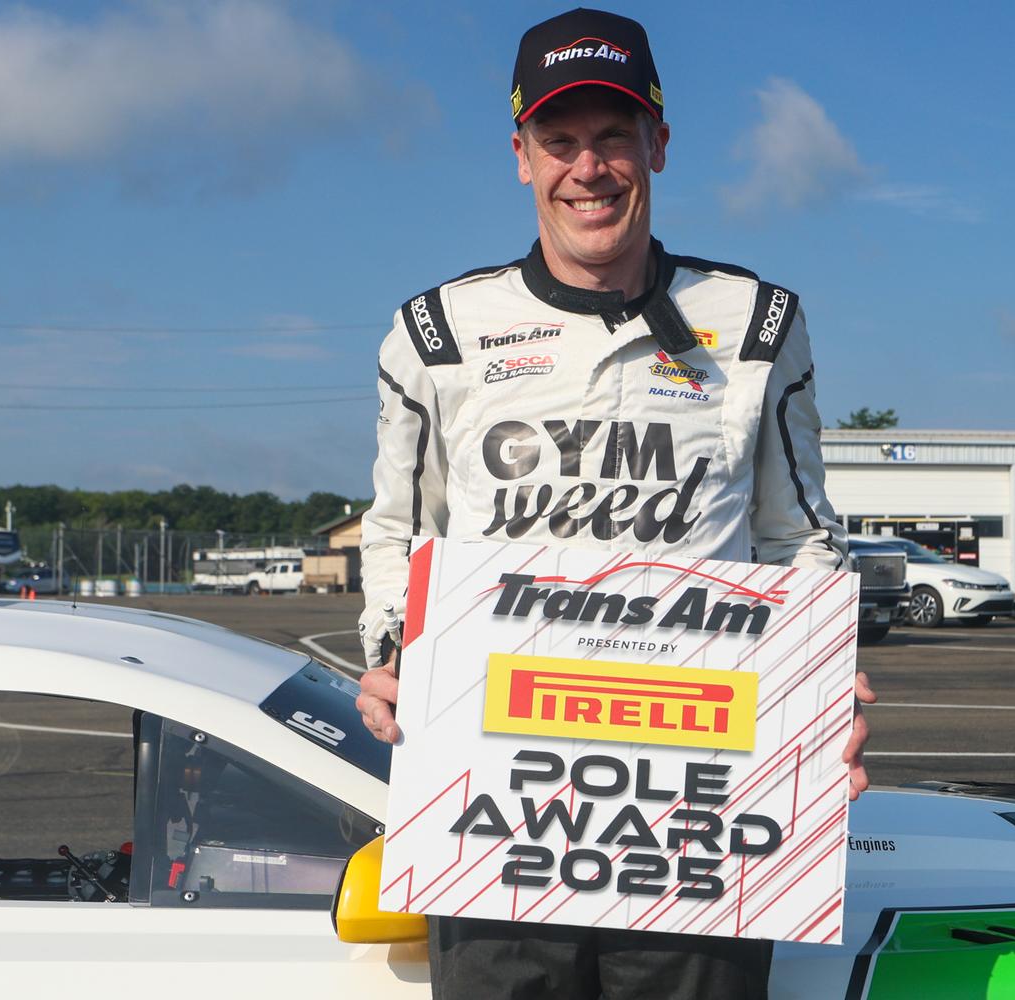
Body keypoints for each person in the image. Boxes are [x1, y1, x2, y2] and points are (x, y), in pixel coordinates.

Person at [354, 10, 874, 998]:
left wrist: (820, 685)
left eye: (613, 136)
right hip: (495, 797)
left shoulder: (758, 321)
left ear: (658, 145)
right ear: (521, 157)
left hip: (696, 807)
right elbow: (398, 529)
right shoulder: (438, 332)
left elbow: (797, 532)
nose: (587, 168)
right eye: (560, 141)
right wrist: (388, 655)